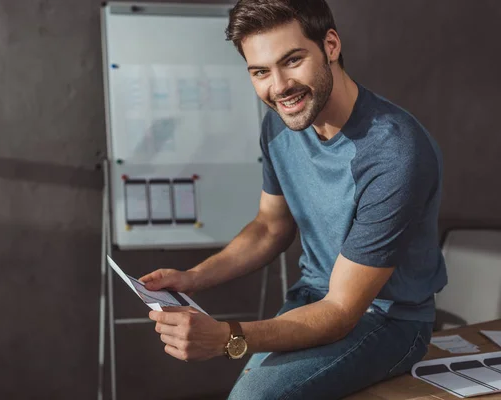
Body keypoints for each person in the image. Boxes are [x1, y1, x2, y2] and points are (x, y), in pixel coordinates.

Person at [141, 0, 448, 398]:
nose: (280, 86)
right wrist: (193, 279)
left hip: (389, 320)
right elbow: (270, 227)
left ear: (331, 45)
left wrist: (226, 337)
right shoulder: (280, 124)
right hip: (311, 299)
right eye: (260, 72)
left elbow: (340, 311)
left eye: (292, 60)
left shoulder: (394, 153)